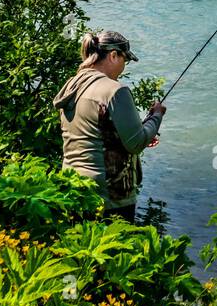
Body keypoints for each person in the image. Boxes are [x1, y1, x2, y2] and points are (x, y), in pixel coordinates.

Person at [53, 29, 166, 222]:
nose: (124, 66)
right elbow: (136, 143)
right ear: (113, 55)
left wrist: (139, 131)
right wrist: (156, 116)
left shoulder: (73, 85)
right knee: (116, 250)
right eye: (125, 60)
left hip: (72, 188)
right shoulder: (115, 90)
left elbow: (95, 133)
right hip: (108, 195)